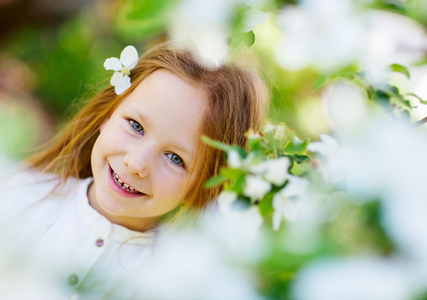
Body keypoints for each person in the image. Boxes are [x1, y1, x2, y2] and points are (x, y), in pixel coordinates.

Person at [0, 43, 268, 299]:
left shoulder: (179, 282)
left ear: (204, 184)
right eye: (136, 126)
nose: (136, 163)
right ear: (108, 114)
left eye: (175, 158)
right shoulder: (18, 196)